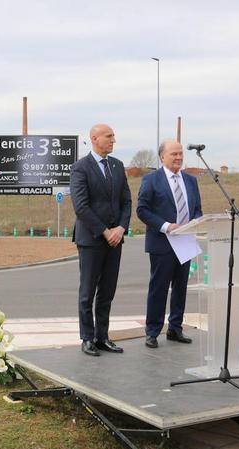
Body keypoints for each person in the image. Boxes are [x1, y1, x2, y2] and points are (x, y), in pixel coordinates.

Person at [70, 124, 132, 357]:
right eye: (109, 136)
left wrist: (121, 228)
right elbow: (81, 207)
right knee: (87, 291)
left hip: (115, 240)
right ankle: (87, 338)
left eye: (114, 136)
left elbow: (126, 201)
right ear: (95, 139)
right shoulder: (80, 168)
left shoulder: (117, 166)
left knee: (107, 291)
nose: (113, 140)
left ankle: (102, 336)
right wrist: (106, 231)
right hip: (92, 239)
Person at [137, 140, 203, 348]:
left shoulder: (191, 181)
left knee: (181, 288)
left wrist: (195, 222)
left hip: (186, 242)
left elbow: (197, 209)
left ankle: (175, 328)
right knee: (159, 288)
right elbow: (143, 210)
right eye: (174, 154)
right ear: (162, 157)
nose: (178, 157)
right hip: (162, 242)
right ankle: (153, 331)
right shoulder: (151, 180)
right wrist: (166, 226)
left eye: (181, 154)